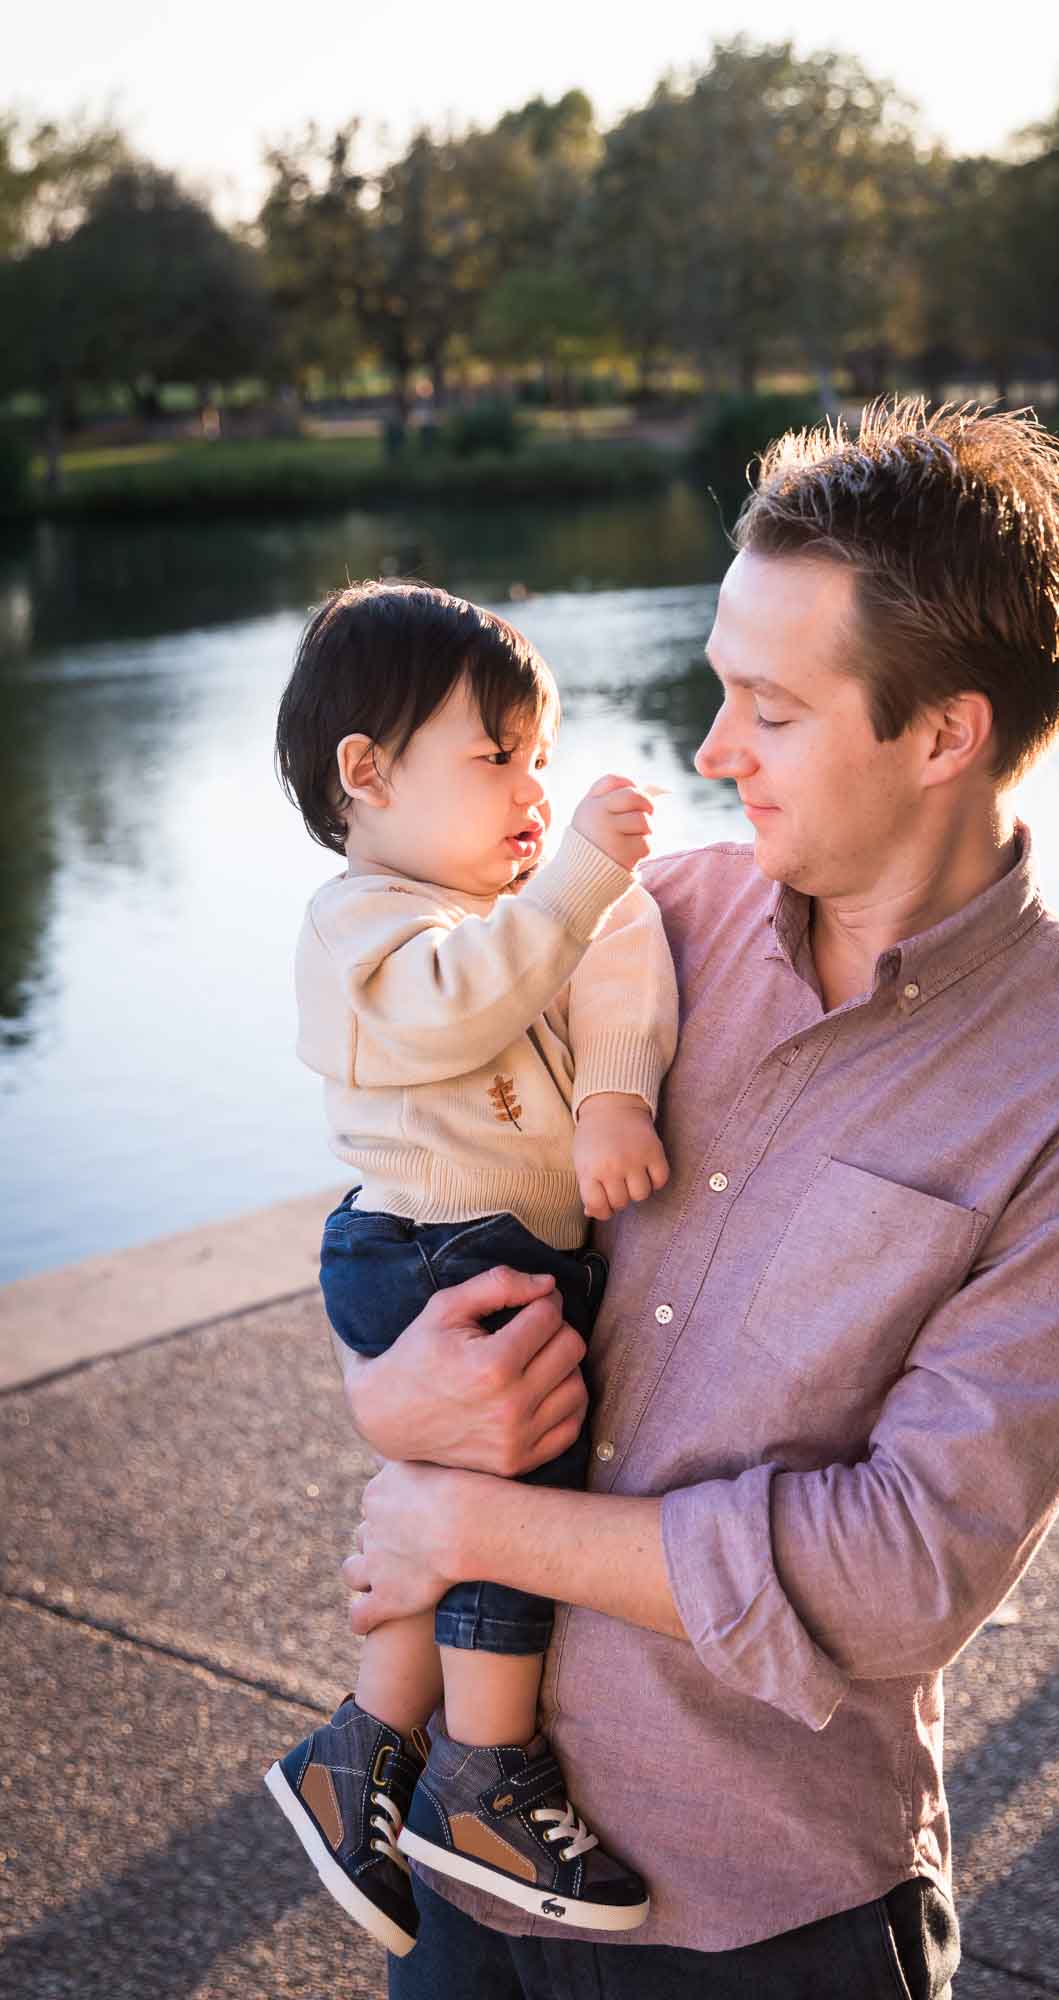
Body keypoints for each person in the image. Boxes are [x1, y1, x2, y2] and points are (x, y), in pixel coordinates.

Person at [336, 403, 1059, 2000]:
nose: (709, 750)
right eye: (717, 688)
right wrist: (387, 1387)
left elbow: (894, 1579)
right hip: (467, 1890)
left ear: (941, 736)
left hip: (761, 1919)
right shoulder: (642, 922)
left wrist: (467, 1518)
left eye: (769, 710)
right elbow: (416, 1209)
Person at [267, 583, 678, 1955]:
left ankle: (360, 1756)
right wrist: (566, 883)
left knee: (470, 1503)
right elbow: (453, 1015)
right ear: (369, 777)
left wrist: (616, 1093)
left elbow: (622, 955)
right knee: (517, 1495)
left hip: (505, 1247)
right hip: (419, 1248)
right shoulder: (360, 924)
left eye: (539, 753)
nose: (531, 787)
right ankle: (485, 1774)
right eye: (494, 755)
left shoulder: (532, 908)